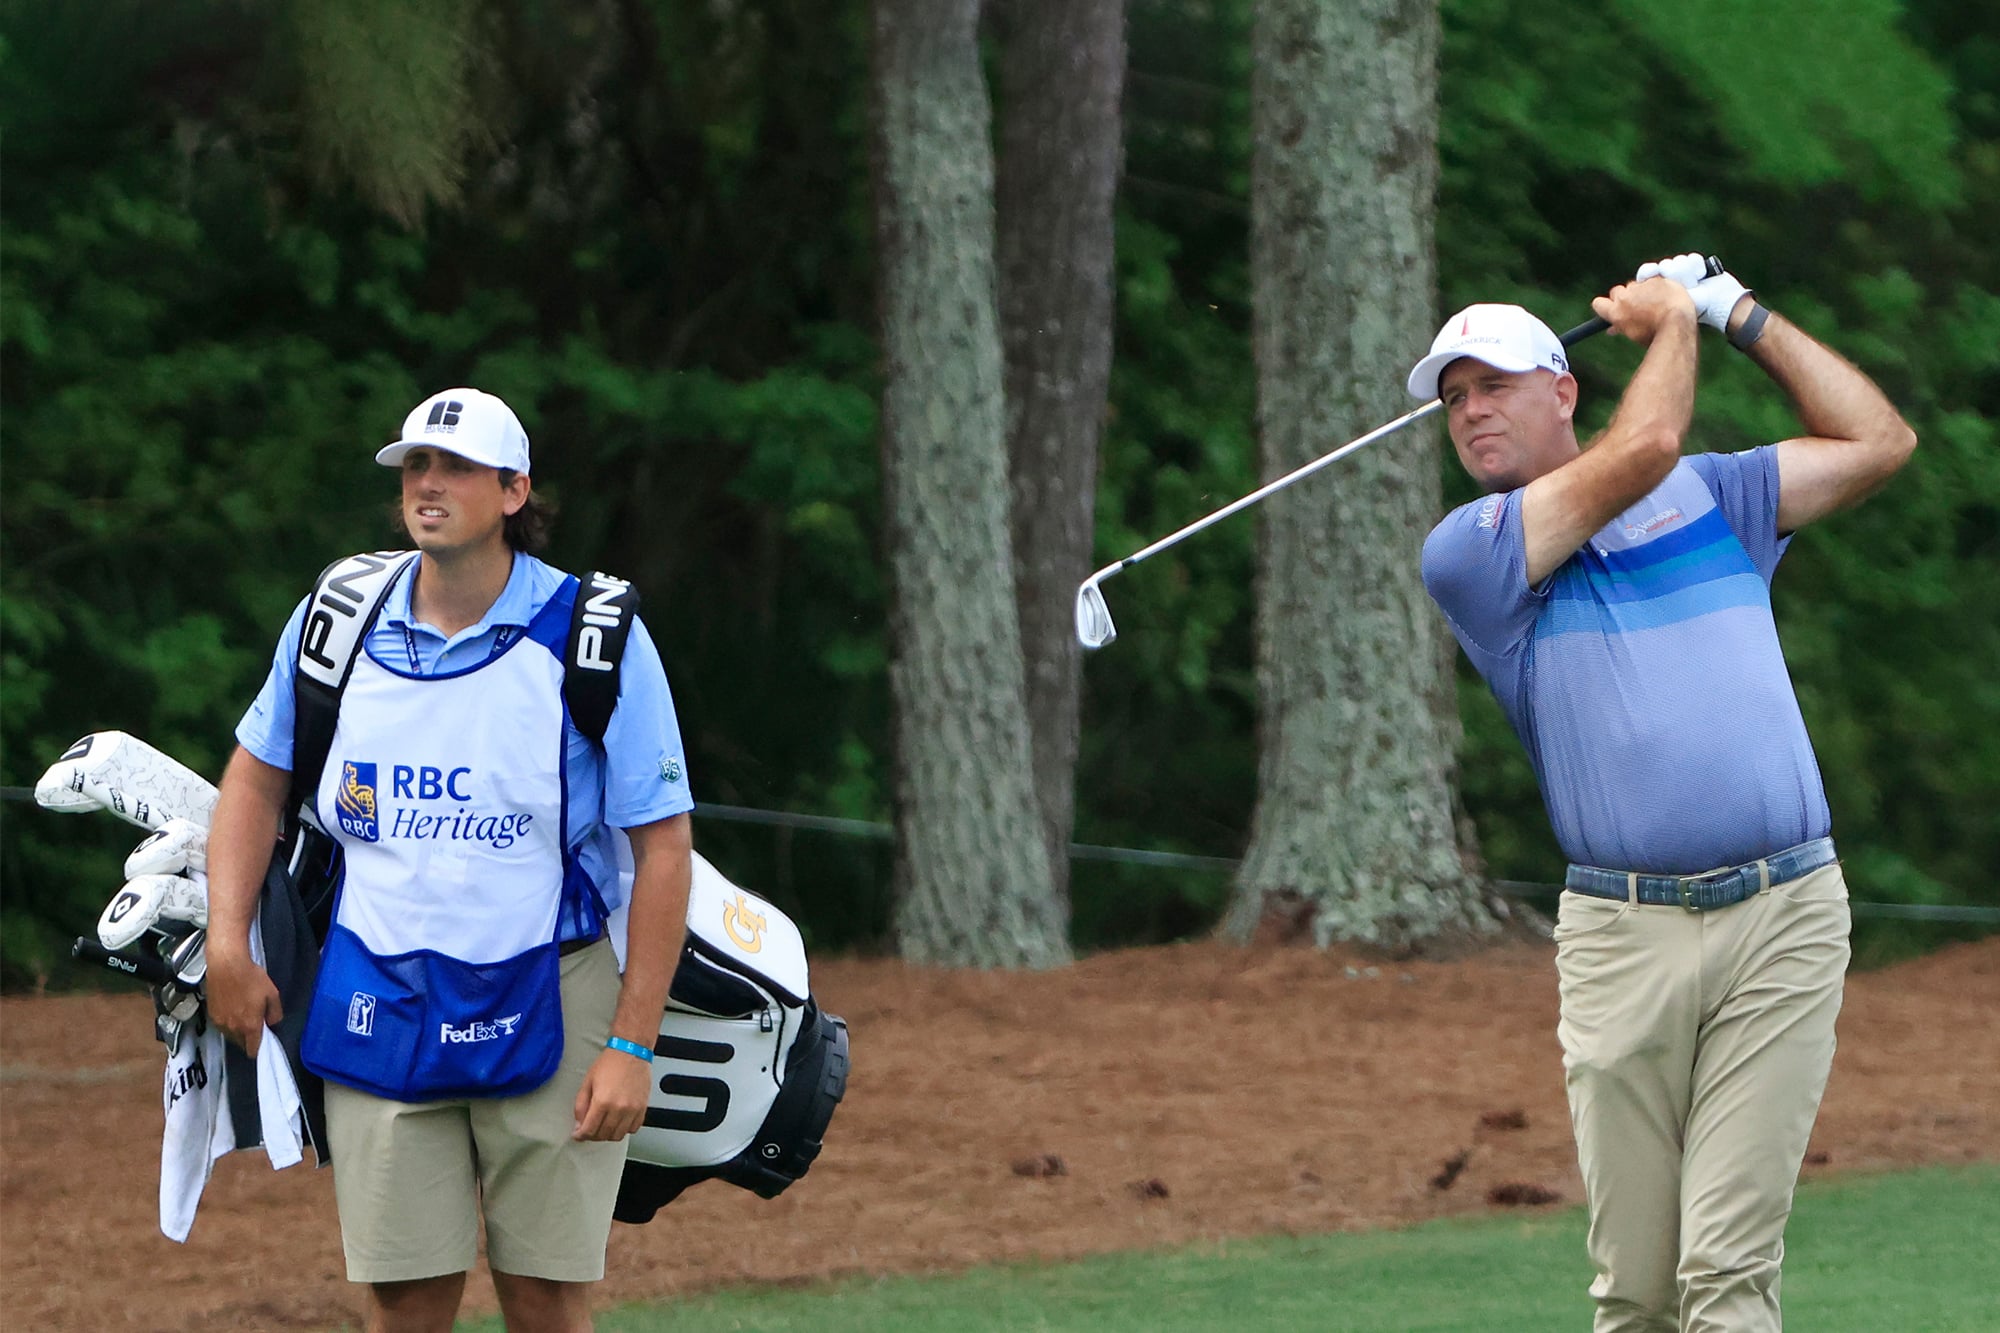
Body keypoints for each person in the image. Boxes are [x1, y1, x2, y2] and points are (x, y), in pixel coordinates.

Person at [1412, 257, 1916, 1332]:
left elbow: (1879, 441)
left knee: (1724, 1278)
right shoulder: (1474, 553)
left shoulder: (1719, 494)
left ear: (1559, 390)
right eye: (1452, 398)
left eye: (1491, 384)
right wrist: (1670, 322)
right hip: (1620, 935)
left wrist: (1738, 314)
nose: (1468, 413)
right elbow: (1642, 448)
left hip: (1783, 915)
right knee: (1636, 1293)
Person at [203, 387, 696, 1333]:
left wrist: (634, 1041)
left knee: (547, 1297)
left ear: (514, 491)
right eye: (415, 467)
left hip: (555, 991)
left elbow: (662, 844)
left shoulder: (593, 635)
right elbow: (255, 780)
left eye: (457, 468)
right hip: (377, 992)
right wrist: (230, 940)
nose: (428, 484)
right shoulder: (338, 616)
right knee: (405, 1300)